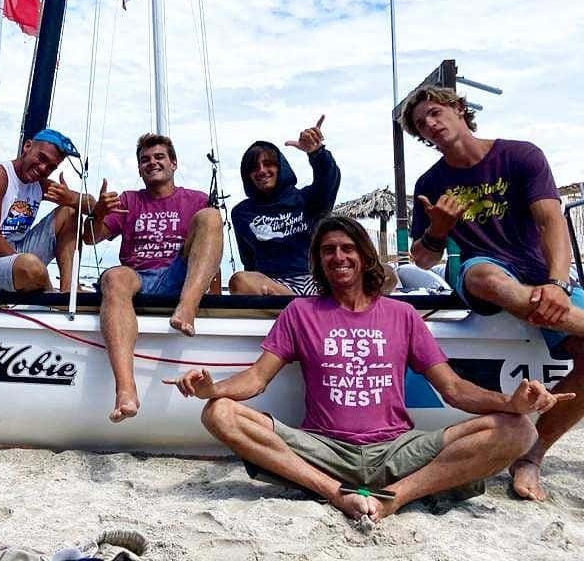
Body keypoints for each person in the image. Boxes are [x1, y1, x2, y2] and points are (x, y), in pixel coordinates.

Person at [166, 215, 573, 523]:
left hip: (397, 449)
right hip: (324, 450)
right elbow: (256, 379)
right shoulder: (300, 312)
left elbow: (453, 389)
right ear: (319, 260)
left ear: (364, 256)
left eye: (347, 248)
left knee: (520, 430)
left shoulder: (402, 314)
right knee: (218, 413)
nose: (338, 257)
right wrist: (211, 390)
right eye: (328, 250)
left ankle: (395, 497)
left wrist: (512, 403)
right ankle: (336, 493)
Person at [403, 84, 584, 501]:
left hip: (538, 275)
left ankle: (531, 455)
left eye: (434, 113)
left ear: (458, 108)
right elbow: (422, 258)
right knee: (484, 276)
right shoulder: (431, 182)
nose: (430, 125)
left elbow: (551, 222)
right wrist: (439, 231)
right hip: (480, 272)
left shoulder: (520, 155)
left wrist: (557, 284)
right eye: (421, 124)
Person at [84, 133, 223, 423]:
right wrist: (98, 213)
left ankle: (187, 308)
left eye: (159, 157)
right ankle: (126, 391)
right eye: (145, 159)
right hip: (138, 277)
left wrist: (216, 303)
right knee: (114, 277)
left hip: (178, 275)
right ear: (139, 168)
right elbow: (90, 238)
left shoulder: (196, 199)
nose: (152, 163)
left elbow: (211, 253)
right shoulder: (128, 200)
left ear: (174, 163)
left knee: (211, 217)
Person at [0, 128, 89, 293]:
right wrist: (35, 274)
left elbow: (91, 204)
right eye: (41, 158)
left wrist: (72, 199)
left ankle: (70, 290)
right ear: (27, 146)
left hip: (15, 256)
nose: (43, 168)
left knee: (70, 211)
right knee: (31, 266)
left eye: (51, 167)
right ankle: (50, 296)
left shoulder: (39, 184)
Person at [229, 115, 340, 296]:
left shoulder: (306, 199)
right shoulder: (241, 213)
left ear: (280, 167)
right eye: (254, 168)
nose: (262, 171)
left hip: (315, 279)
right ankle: (301, 305)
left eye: (268, 164)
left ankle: (301, 305)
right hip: (274, 287)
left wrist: (317, 153)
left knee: (384, 272)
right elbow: (248, 260)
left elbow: (329, 181)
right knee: (239, 280)